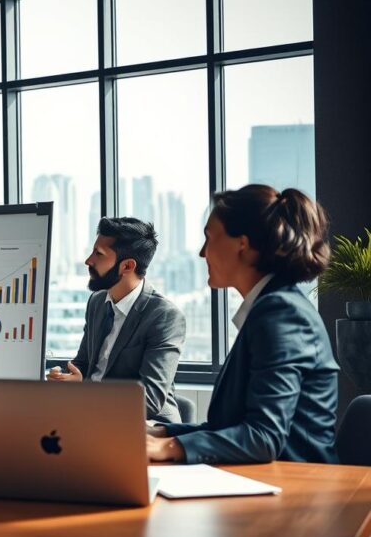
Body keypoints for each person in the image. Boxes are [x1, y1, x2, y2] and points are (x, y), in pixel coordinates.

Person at [148, 185, 338, 464]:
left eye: (209, 238)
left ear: (242, 244)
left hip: (300, 491)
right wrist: (158, 433)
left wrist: (166, 447)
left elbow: (263, 438)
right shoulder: (270, 306)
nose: (202, 253)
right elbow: (230, 430)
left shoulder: (282, 313)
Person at [47, 217, 186, 423]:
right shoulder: (97, 301)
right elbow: (84, 363)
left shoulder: (164, 316)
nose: (88, 261)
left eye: (99, 254)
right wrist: (66, 376)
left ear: (127, 266)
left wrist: (83, 393)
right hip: (93, 416)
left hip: (145, 425)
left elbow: (149, 400)